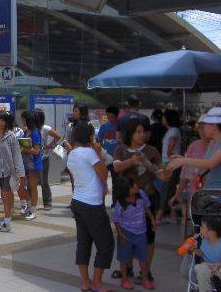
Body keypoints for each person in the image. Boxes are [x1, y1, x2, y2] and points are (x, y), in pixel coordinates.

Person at [112, 118, 166, 283]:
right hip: (124, 199)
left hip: (146, 197)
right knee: (126, 235)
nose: (142, 135)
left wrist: (162, 171)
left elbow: (161, 174)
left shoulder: (152, 151)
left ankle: (146, 271)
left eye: (144, 132)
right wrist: (131, 161)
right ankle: (126, 269)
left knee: (148, 236)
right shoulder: (121, 149)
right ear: (130, 133)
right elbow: (116, 167)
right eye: (138, 132)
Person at [67, 121, 114, 292]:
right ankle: (97, 282)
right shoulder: (89, 153)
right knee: (106, 243)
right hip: (92, 204)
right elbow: (104, 172)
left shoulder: (72, 153)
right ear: (89, 137)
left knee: (84, 242)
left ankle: (85, 282)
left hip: (77, 201)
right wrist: (97, 152)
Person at [112, 176, 157, 290]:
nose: (136, 186)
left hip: (141, 232)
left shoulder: (141, 194)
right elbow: (116, 219)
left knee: (143, 257)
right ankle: (125, 279)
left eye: (134, 184)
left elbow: (146, 207)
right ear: (125, 192)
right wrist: (120, 233)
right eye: (132, 186)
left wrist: (152, 219)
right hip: (126, 234)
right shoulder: (120, 204)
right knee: (124, 257)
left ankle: (145, 279)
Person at [169, 117, 211, 235]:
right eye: (200, 128)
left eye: (205, 127)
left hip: (214, 194)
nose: (202, 131)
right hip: (196, 194)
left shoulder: (217, 146)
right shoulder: (194, 146)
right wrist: (177, 194)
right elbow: (185, 175)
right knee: (198, 229)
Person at [167, 107, 221, 190]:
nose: (202, 130)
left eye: (204, 125)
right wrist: (184, 160)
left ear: (214, 126)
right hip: (210, 192)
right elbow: (204, 167)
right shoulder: (213, 143)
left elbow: (210, 163)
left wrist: (184, 160)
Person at [34, 108, 61, 211]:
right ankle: (33, 203)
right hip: (32, 157)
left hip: (43, 157)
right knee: (32, 181)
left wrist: (49, 145)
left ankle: (47, 202)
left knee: (43, 181)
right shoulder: (31, 128)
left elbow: (57, 136)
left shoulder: (45, 128)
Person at [17, 110, 42, 220]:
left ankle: (33, 210)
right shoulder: (25, 131)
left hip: (33, 164)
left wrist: (23, 148)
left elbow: (37, 151)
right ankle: (29, 204)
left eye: (24, 119)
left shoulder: (35, 132)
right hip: (24, 163)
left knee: (33, 188)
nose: (22, 121)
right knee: (20, 186)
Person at [194, 216, 221, 292]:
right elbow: (202, 253)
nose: (200, 229)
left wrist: (218, 266)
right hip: (208, 265)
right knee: (200, 268)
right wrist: (194, 249)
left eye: (202, 227)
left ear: (212, 232)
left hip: (219, 266)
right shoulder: (204, 241)